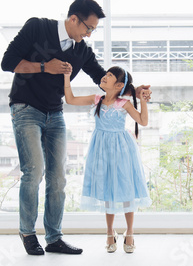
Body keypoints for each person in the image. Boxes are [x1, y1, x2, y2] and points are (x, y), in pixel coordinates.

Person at [1, 0, 150, 256]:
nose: (89, 34)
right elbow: (8, 63)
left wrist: (130, 90)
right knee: (34, 171)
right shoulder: (37, 28)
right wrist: (45, 66)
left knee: (58, 177)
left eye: (93, 30)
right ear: (73, 19)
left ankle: (54, 237)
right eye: (88, 28)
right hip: (25, 108)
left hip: (54, 112)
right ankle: (27, 233)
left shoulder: (82, 51)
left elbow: (103, 79)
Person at [64, 66, 152, 253]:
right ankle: (109, 232)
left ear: (119, 85)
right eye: (106, 74)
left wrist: (143, 101)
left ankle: (130, 232)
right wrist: (66, 77)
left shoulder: (124, 103)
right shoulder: (97, 100)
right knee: (107, 188)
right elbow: (70, 99)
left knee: (126, 188)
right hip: (101, 149)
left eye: (109, 76)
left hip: (122, 149)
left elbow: (143, 121)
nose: (104, 77)